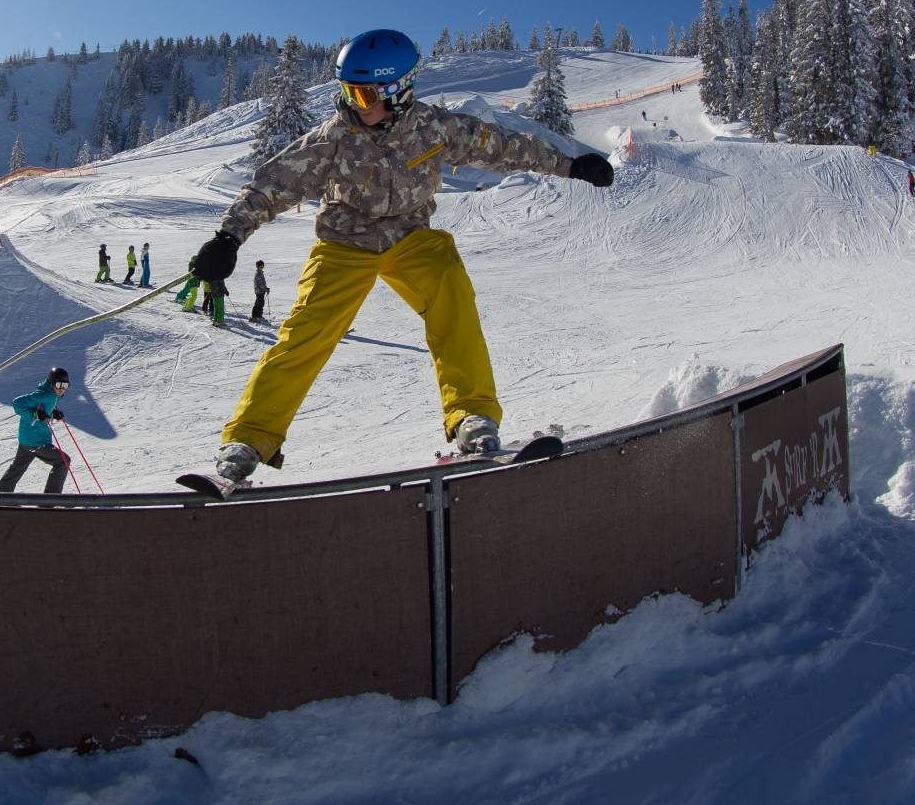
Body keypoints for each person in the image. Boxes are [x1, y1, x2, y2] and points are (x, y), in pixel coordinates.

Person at [191, 28, 615, 485]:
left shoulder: (434, 128)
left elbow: (503, 146)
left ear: (398, 90)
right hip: (344, 244)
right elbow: (271, 185)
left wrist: (572, 164)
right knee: (305, 332)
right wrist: (228, 238)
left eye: (364, 92)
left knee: (450, 287)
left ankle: (471, 415)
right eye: (348, 91)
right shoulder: (334, 138)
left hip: (411, 239)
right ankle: (249, 439)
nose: (355, 103)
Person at [0, 367, 73, 494]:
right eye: (59, 384)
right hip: (36, 441)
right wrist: (35, 415)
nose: (61, 388)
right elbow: (17, 403)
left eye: (65, 385)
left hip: (27, 439)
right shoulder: (44, 394)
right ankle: (50, 501)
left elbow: (41, 409)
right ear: (52, 383)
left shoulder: (51, 395)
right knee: (63, 461)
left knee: (16, 469)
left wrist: (52, 413)